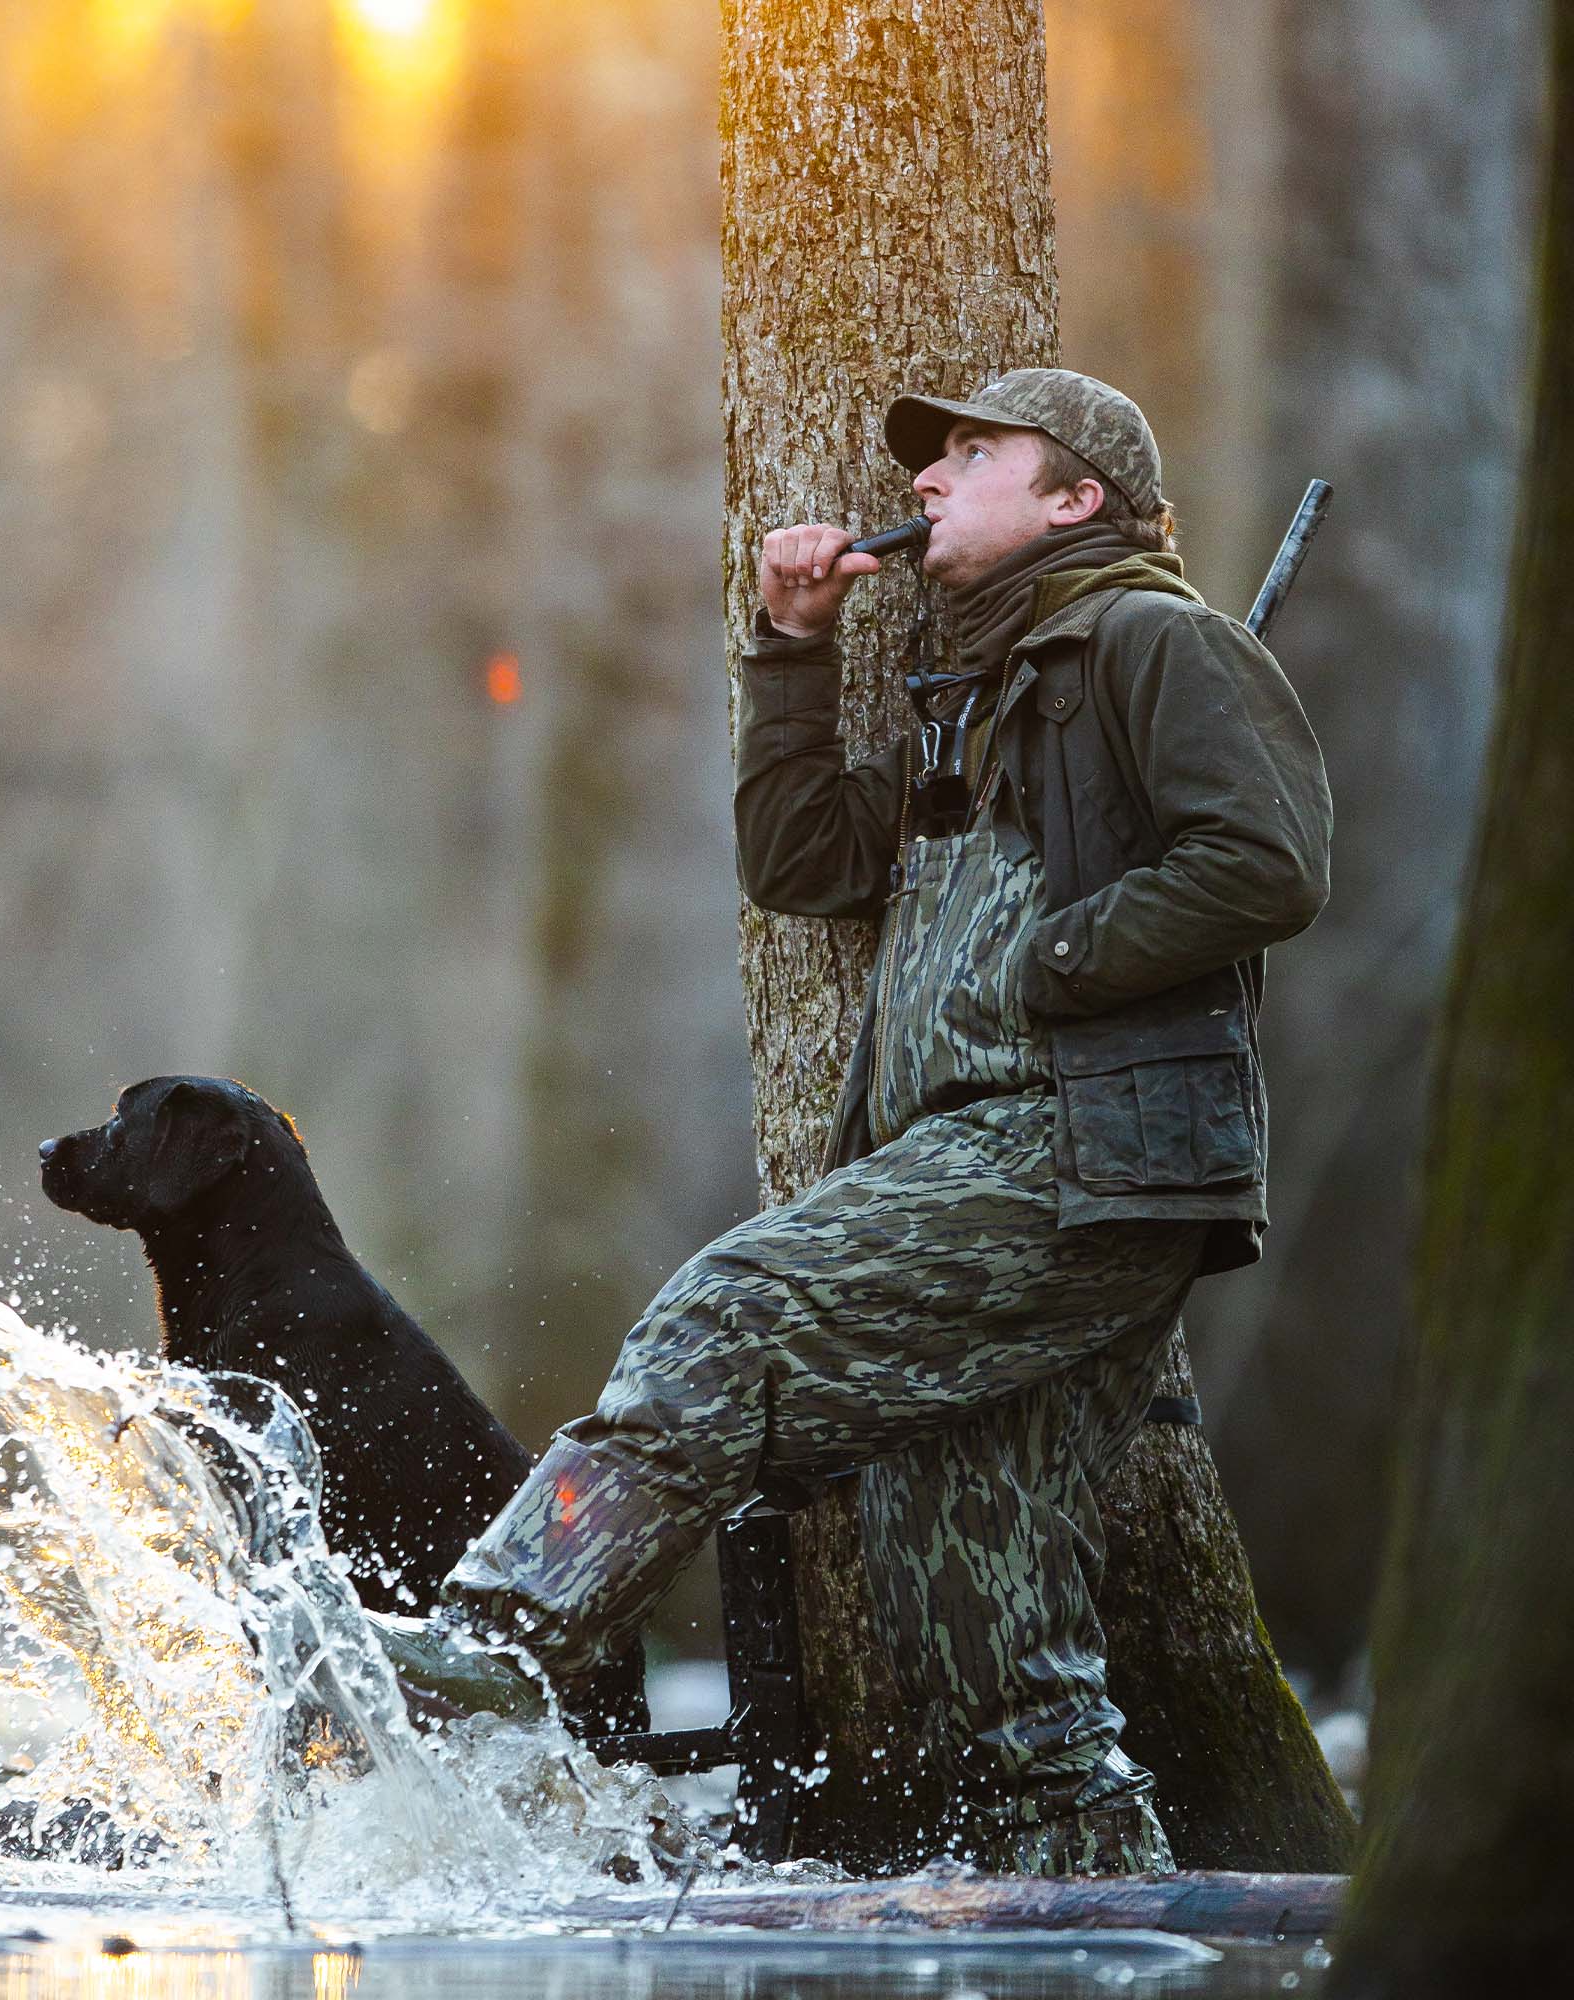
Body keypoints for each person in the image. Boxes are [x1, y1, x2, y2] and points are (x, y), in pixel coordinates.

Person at [375, 368, 1332, 1876]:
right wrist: (795, 649)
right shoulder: (990, 687)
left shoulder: (1153, 636)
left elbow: (1268, 862)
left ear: (1075, 498)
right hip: (1057, 1176)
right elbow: (805, 859)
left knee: (730, 1312)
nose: (933, 481)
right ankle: (1104, 1906)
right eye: (931, 460)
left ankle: (502, 1635)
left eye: (975, 454)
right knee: (975, 1605)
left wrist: (1050, 960)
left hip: (1071, 1147)